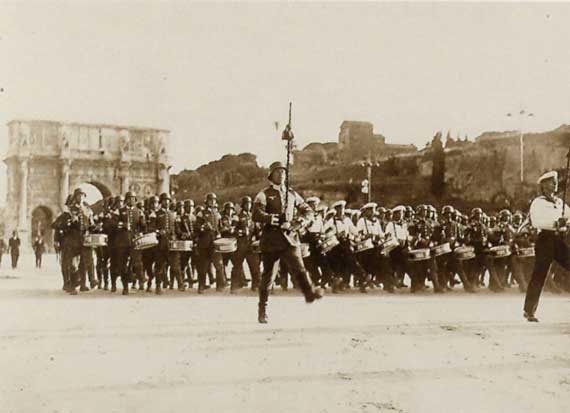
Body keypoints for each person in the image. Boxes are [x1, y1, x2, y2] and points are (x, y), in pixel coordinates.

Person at [252, 161, 323, 324]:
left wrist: (300, 222)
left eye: (283, 172)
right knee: (268, 276)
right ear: (271, 175)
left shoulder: (292, 194)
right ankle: (262, 310)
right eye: (277, 172)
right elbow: (256, 214)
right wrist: (274, 219)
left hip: (289, 237)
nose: (281, 174)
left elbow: (307, 210)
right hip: (271, 239)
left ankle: (309, 293)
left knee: (299, 267)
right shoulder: (264, 194)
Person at [523, 171, 570, 322]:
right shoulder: (538, 203)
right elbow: (537, 221)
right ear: (543, 185)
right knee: (539, 275)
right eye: (551, 181)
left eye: (555, 181)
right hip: (545, 240)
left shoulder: (560, 202)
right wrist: (556, 223)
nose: (555, 184)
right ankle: (529, 310)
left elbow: (568, 216)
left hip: (558, 240)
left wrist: (566, 223)